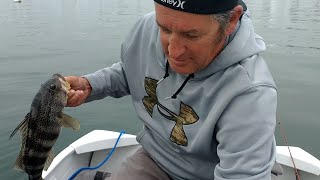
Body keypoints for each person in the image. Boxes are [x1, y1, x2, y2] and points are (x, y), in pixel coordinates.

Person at [65, 0, 283, 179]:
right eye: (165, 29)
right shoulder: (147, 28)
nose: (174, 51)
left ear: (231, 21)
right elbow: (131, 71)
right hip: (157, 158)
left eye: (192, 35)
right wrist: (91, 84)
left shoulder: (251, 93)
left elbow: (240, 175)